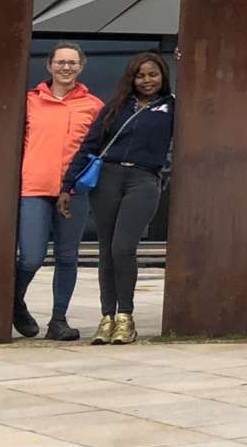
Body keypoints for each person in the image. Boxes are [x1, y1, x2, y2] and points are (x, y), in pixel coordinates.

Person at [60, 51, 174, 347]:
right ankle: (107, 317)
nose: (147, 80)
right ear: (131, 78)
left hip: (143, 180)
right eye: (140, 75)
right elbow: (90, 145)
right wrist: (67, 186)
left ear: (163, 76)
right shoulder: (117, 107)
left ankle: (126, 316)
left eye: (153, 74)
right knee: (106, 251)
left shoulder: (172, 107)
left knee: (123, 247)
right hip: (107, 179)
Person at [13, 43, 101, 341]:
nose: (66, 67)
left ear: (81, 66)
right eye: (60, 62)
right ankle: (15, 301)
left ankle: (58, 320)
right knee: (31, 257)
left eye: (72, 63)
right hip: (34, 187)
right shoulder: (28, 101)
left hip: (74, 191)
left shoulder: (93, 105)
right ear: (49, 66)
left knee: (67, 257)